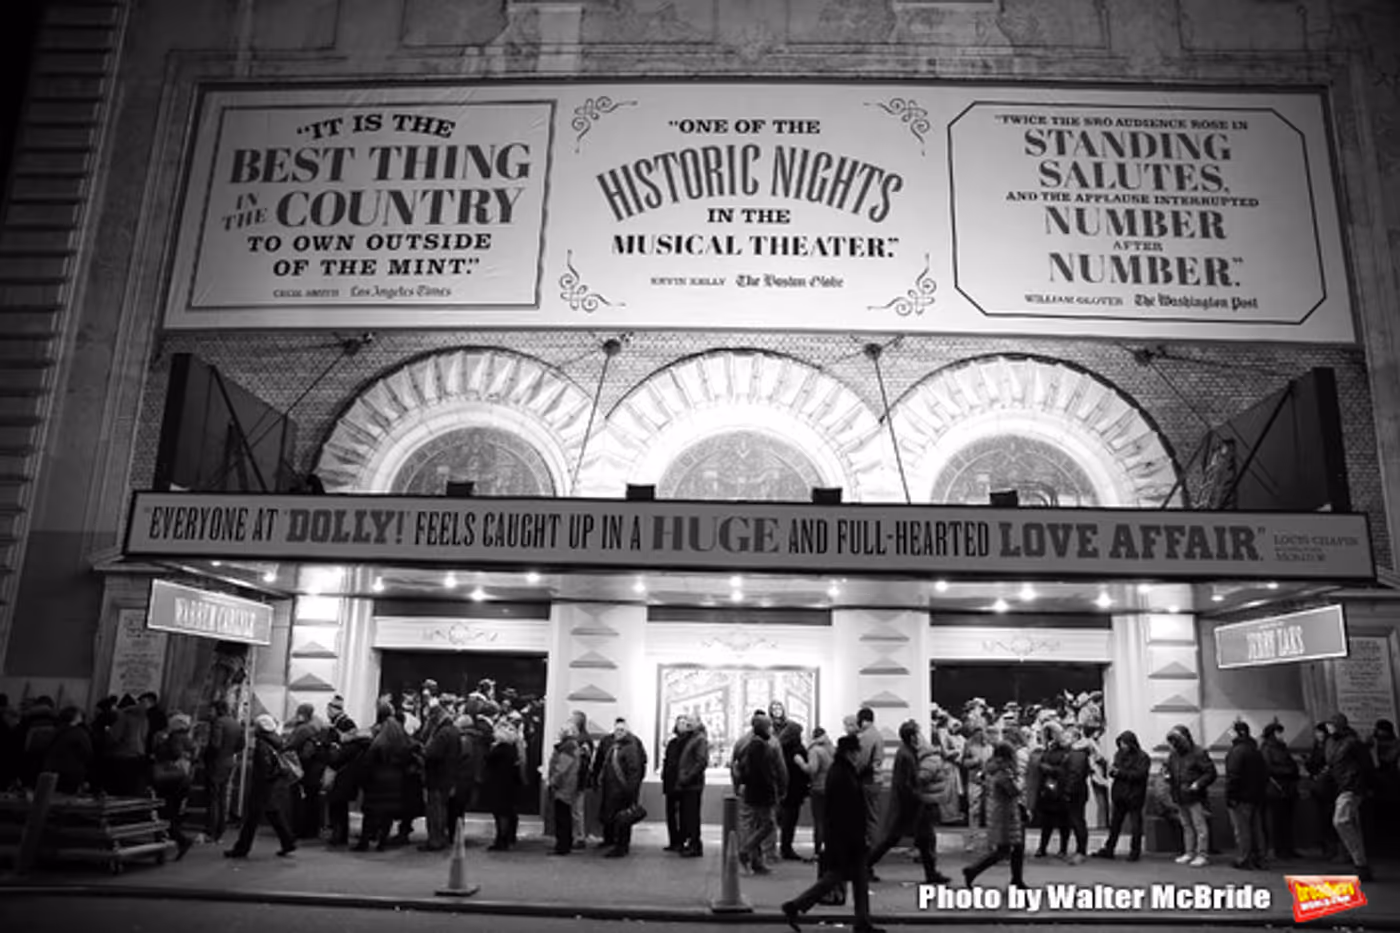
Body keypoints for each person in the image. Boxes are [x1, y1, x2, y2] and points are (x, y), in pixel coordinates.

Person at [781, 735, 883, 933]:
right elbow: (845, 810)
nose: (858, 755)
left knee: (856, 878)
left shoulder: (844, 771)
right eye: (856, 751)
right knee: (837, 876)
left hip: (846, 837)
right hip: (847, 838)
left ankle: (862, 922)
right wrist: (856, 837)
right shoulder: (841, 774)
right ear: (849, 752)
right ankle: (796, 905)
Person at [867, 719, 949, 884]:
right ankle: (864, 866)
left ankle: (931, 873)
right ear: (912, 737)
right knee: (895, 838)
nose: (919, 736)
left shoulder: (906, 752)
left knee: (923, 839)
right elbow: (906, 783)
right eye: (917, 733)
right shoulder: (906, 755)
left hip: (909, 803)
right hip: (909, 805)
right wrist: (916, 797)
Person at [225, 714, 297, 859]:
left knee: (252, 819)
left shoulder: (262, 744)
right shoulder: (276, 740)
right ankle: (288, 841)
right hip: (272, 784)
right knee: (273, 814)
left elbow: (264, 767)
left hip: (263, 786)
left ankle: (241, 848)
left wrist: (260, 782)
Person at [962, 742, 1027, 890]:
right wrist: (1021, 780)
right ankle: (973, 870)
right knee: (1004, 850)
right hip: (1006, 815)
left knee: (1015, 848)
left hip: (1000, 812)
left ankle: (1017, 880)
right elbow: (1014, 790)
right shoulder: (1003, 773)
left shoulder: (992, 769)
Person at [1324, 713, 1374, 881]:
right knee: (1352, 824)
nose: (1328, 727)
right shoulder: (1333, 742)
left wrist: (1366, 785)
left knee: (1341, 821)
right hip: (1342, 785)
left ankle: (1360, 863)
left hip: (1351, 786)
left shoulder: (1352, 743)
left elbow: (1366, 765)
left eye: (1331, 724)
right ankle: (1361, 865)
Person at [356, 703, 411, 852]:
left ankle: (364, 842)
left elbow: (369, 758)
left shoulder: (380, 736)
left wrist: (363, 777)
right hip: (395, 778)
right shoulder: (399, 733)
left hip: (377, 778)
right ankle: (382, 843)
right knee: (388, 813)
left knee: (370, 812)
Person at [737, 710, 786, 874]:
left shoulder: (747, 743)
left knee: (755, 825)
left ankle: (757, 861)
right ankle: (746, 850)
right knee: (768, 825)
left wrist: (740, 784)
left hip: (750, 792)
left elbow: (739, 767)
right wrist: (778, 790)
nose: (771, 729)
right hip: (762, 794)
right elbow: (771, 772)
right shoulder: (763, 746)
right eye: (769, 726)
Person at [1164, 723, 1217, 868]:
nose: (1171, 746)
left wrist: (1198, 784)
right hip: (1179, 794)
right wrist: (1167, 775)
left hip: (1195, 795)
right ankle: (1189, 852)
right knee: (1186, 825)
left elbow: (1211, 773)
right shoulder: (1173, 755)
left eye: (1174, 742)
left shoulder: (1199, 753)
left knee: (1199, 826)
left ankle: (1202, 854)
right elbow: (1168, 769)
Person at [1093, 730, 1149, 861]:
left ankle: (1135, 851)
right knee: (1115, 824)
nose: (1122, 746)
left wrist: (1120, 773)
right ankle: (1109, 848)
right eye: (1121, 744)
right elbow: (1114, 770)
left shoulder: (1142, 757)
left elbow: (1140, 775)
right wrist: (1112, 771)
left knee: (1135, 824)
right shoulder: (1119, 754)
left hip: (1134, 795)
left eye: (1124, 744)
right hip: (1119, 794)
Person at [598, 718, 647, 858]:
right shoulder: (615, 746)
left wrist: (631, 790)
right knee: (615, 817)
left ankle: (621, 847)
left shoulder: (630, 748)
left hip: (623, 790)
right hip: (613, 789)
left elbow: (634, 771)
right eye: (617, 730)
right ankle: (616, 844)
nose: (618, 733)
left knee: (623, 819)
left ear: (627, 732)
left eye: (622, 730)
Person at [1224, 720, 1268, 869]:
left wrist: (1230, 796)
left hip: (1240, 797)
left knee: (1242, 829)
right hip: (1256, 795)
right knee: (1257, 828)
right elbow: (1264, 774)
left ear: (1238, 733)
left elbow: (1233, 775)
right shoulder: (1255, 749)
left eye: (1231, 731)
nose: (1228, 733)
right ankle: (1259, 857)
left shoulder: (1236, 751)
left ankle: (1244, 858)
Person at [151, 713, 195, 860]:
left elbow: (174, 753)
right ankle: (174, 841)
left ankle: (179, 840)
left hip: (170, 780)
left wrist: (161, 749)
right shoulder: (188, 739)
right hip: (182, 780)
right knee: (171, 813)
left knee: (164, 813)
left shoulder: (174, 737)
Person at [284, 702, 329, 840]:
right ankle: (312, 830)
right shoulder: (316, 726)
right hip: (315, 769)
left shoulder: (303, 729)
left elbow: (290, 745)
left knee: (303, 801)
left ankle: (301, 829)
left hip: (305, 768)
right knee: (312, 800)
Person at [420, 699, 460, 851]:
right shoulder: (454, 731)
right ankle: (440, 838)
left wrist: (422, 750)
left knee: (435, 811)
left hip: (437, 777)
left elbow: (432, 754)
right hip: (448, 777)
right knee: (442, 809)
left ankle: (435, 840)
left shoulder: (442, 733)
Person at [772, 701, 810, 861]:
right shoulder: (797, 750)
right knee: (789, 820)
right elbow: (804, 770)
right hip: (794, 789)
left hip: (783, 788)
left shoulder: (779, 748)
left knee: (779, 818)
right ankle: (786, 848)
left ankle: (775, 848)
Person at [203, 699, 245, 844]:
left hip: (216, 763)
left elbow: (215, 744)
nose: (209, 713)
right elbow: (241, 745)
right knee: (222, 797)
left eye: (211, 710)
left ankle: (211, 831)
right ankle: (221, 829)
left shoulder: (218, 723)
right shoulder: (236, 723)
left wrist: (205, 754)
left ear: (217, 709)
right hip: (229, 762)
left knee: (213, 798)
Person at [1259, 721, 1299, 859]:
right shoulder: (1267, 749)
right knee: (1277, 821)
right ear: (1272, 734)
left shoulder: (1282, 747)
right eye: (1278, 732)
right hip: (1275, 789)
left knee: (1287, 820)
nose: (1281, 735)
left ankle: (1288, 848)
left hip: (1287, 788)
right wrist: (1288, 771)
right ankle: (1279, 849)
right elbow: (1268, 768)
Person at [482, 719, 523, 851]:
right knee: (507, 812)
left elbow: (487, 760)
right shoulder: (512, 750)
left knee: (500, 813)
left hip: (499, 785)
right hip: (509, 785)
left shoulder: (499, 750)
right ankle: (508, 837)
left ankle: (501, 839)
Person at [1032, 723, 1070, 859]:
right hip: (1047, 788)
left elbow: (1066, 770)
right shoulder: (1047, 750)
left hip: (1060, 789)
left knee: (1063, 822)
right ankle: (1042, 847)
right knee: (1046, 822)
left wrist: (1051, 770)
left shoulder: (1066, 751)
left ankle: (1063, 849)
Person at [674, 714, 709, 856]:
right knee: (687, 815)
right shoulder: (692, 738)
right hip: (687, 783)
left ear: (698, 723)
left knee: (692, 815)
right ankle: (691, 843)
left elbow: (701, 762)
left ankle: (695, 845)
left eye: (691, 721)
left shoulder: (700, 739)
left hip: (693, 784)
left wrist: (688, 777)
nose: (688, 724)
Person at [1305, 722, 1339, 859]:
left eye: (1320, 732)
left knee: (1329, 817)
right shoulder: (1318, 747)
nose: (1317, 735)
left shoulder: (1329, 747)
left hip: (1328, 787)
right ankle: (1327, 847)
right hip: (1319, 786)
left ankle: (1333, 848)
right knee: (1323, 818)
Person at [547, 722, 581, 855]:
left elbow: (562, 769)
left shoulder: (567, 748)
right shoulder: (572, 746)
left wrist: (553, 781)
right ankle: (565, 843)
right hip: (568, 785)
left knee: (562, 817)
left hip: (563, 787)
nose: (559, 733)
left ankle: (562, 846)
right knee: (565, 815)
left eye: (561, 730)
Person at [43, 705, 93, 795]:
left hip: (51, 770)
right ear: (75, 718)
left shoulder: (55, 731)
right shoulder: (79, 733)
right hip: (72, 772)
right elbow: (87, 752)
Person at [802, 727, 835, 861]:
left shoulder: (815, 750)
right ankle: (830, 849)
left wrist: (801, 763)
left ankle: (818, 850)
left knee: (819, 821)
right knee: (829, 820)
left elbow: (812, 769)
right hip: (831, 787)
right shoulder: (832, 748)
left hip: (818, 788)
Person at [106, 695, 150, 796]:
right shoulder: (144, 719)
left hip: (122, 755)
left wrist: (108, 734)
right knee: (133, 789)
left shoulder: (123, 717)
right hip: (139, 754)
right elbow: (144, 736)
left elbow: (115, 736)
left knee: (119, 789)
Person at [1061, 725, 1092, 864]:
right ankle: (1080, 850)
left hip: (1076, 793)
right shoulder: (1075, 753)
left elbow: (1075, 775)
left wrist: (1068, 791)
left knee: (1077, 821)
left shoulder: (1077, 754)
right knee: (1076, 820)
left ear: (1075, 738)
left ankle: (1081, 851)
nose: (1064, 739)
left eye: (1067, 736)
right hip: (1077, 791)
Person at [855, 707, 883, 851]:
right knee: (873, 814)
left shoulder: (867, 736)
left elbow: (861, 761)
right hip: (876, 779)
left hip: (868, 780)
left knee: (869, 817)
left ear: (863, 720)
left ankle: (873, 848)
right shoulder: (877, 734)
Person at [566, 710, 595, 849]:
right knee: (575, 810)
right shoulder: (578, 738)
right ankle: (576, 835)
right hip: (574, 778)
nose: (570, 720)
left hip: (578, 778)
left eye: (572, 719)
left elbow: (584, 760)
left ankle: (579, 836)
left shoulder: (582, 739)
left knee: (577, 810)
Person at [661, 715, 688, 852]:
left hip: (682, 784)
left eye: (684, 723)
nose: (681, 725)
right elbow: (667, 762)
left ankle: (681, 840)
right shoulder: (672, 743)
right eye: (679, 723)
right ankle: (673, 840)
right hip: (670, 783)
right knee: (670, 814)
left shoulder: (689, 743)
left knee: (682, 814)